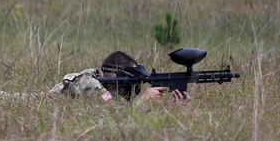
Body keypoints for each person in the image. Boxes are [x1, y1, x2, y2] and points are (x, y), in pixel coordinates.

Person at [48, 50, 191, 103]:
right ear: (118, 76)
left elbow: (124, 113)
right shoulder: (90, 84)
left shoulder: (109, 95)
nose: (133, 87)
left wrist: (169, 107)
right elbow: (114, 117)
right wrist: (142, 101)